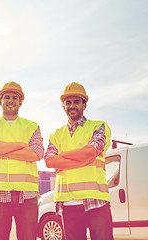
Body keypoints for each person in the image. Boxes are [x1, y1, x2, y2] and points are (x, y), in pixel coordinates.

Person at [44, 82, 114, 240]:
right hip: (68, 202)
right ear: (63, 106)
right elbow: (49, 161)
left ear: (85, 103)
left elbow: (92, 151)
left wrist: (62, 157)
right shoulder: (56, 134)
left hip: (96, 200)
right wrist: (82, 159)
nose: (72, 106)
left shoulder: (99, 127)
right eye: (68, 102)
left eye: (76, 101)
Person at [0, 81, 44, 240]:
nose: (10, 100)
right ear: (0, 100)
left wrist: (0, 148)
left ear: (20, 102)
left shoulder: (32, 126)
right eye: (6, 97)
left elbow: (37, 153)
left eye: (15, 97)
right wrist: (22, 146)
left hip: (26, 194)